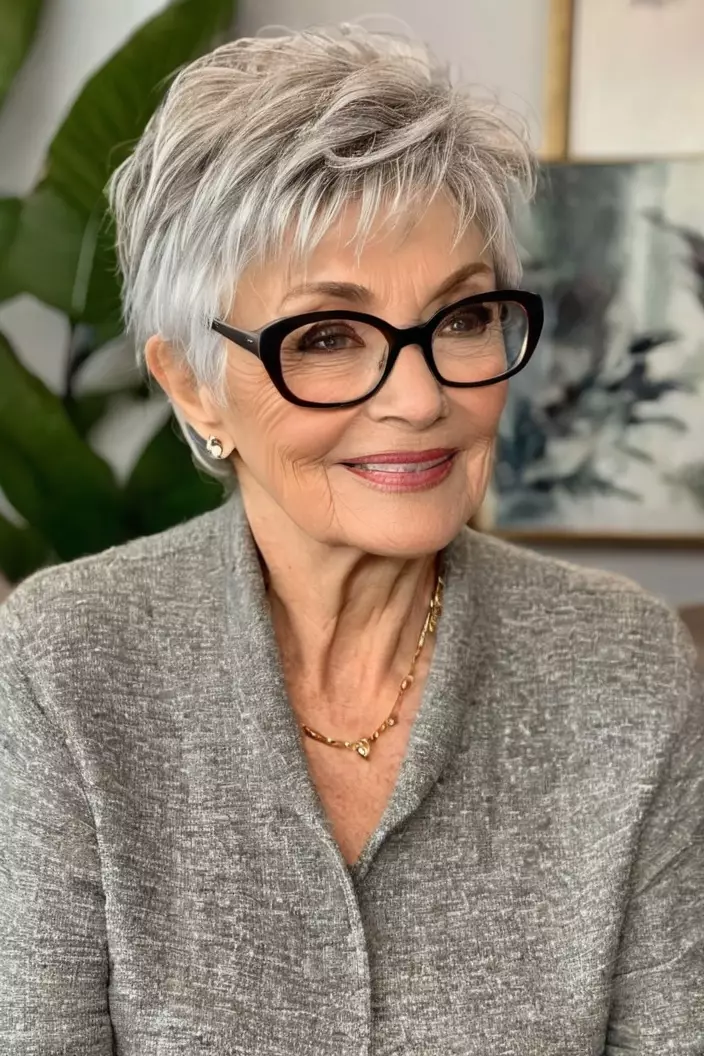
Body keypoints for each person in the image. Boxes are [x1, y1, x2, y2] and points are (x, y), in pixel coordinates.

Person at [0, 24, 701, 1056]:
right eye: (325, 337)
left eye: (463, 319)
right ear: (193, 385)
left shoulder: (625, 670)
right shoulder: (70, 657)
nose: (420, 398)